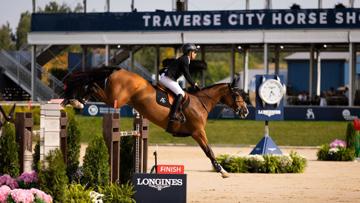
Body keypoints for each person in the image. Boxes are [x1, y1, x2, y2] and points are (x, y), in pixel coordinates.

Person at [159, 43, 200, 122]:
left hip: (168, 78)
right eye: (195, 52)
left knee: (181, 92)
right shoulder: (185, 59)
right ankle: (173, 114)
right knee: (181, 93)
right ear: (190, 52)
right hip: (167, 78)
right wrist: (193, 83)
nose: (196, 54)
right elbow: (186, 74)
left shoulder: (184, 59)